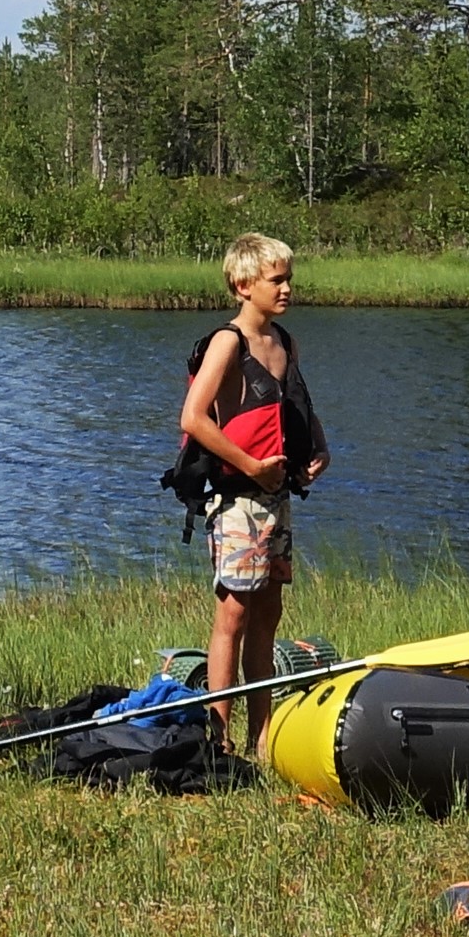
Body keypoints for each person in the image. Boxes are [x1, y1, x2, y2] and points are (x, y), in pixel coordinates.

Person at [178, 231, 328, 755]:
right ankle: (218, 741)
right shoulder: (228, 343)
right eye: (277, 279)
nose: (287, 288)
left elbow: (298, 402)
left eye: (289, 278)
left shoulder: (284, 342)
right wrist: (252, 467)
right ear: (244, 285)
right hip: (237, 498)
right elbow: (194, 419)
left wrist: (319, 449)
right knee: (234, 614)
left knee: (268, 613)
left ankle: (261, 738)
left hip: (276, 497)